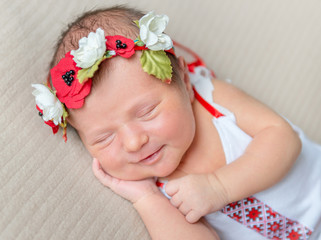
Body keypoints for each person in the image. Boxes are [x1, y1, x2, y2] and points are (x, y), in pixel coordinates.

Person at [31, 6, 321, 240]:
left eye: (147, 112)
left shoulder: (212, 99)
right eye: (104, 138)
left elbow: (282, 137)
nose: (134, 142)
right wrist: (146, 199)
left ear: (183, 79)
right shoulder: (155, 186)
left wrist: (219, 187)